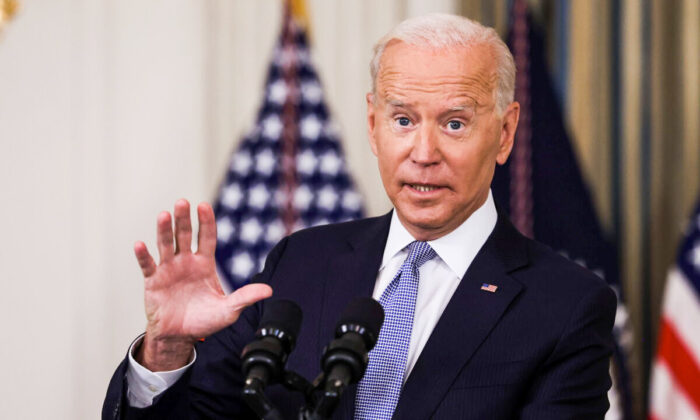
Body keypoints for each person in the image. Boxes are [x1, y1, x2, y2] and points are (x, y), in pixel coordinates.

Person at [103, 13, 616, 420]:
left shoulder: (566, 306)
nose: (423, 151)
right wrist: (167, 350)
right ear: (373, 127)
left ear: (504, 134)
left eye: (455, 123)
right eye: (402, 120)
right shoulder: (300, 262)